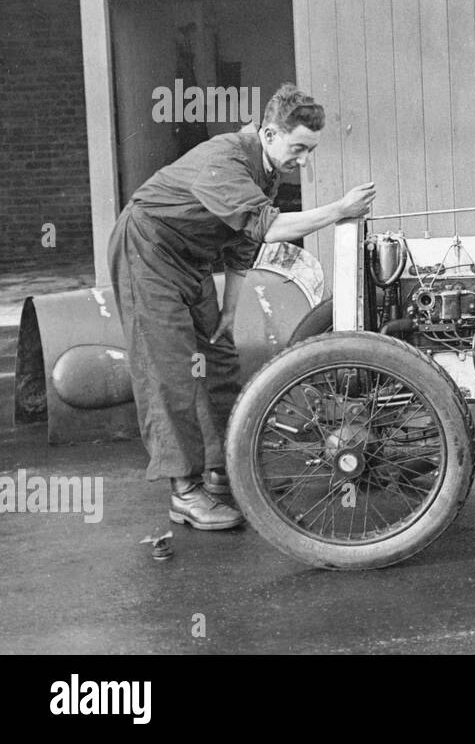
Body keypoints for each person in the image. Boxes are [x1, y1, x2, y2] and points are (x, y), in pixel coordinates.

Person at [109, 83, 377, 530]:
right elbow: (269, 230)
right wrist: (340, 208)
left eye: (310, 151)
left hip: (191, 259)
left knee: (219, 359)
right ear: (270, 133)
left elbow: (240, 245)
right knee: (169, 369)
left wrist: (229, 311)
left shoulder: (266, 169)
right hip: (147, 251)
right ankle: (184, 491)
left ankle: (223, 470)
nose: (304, 161)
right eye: (299, 148)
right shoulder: (227, 159)